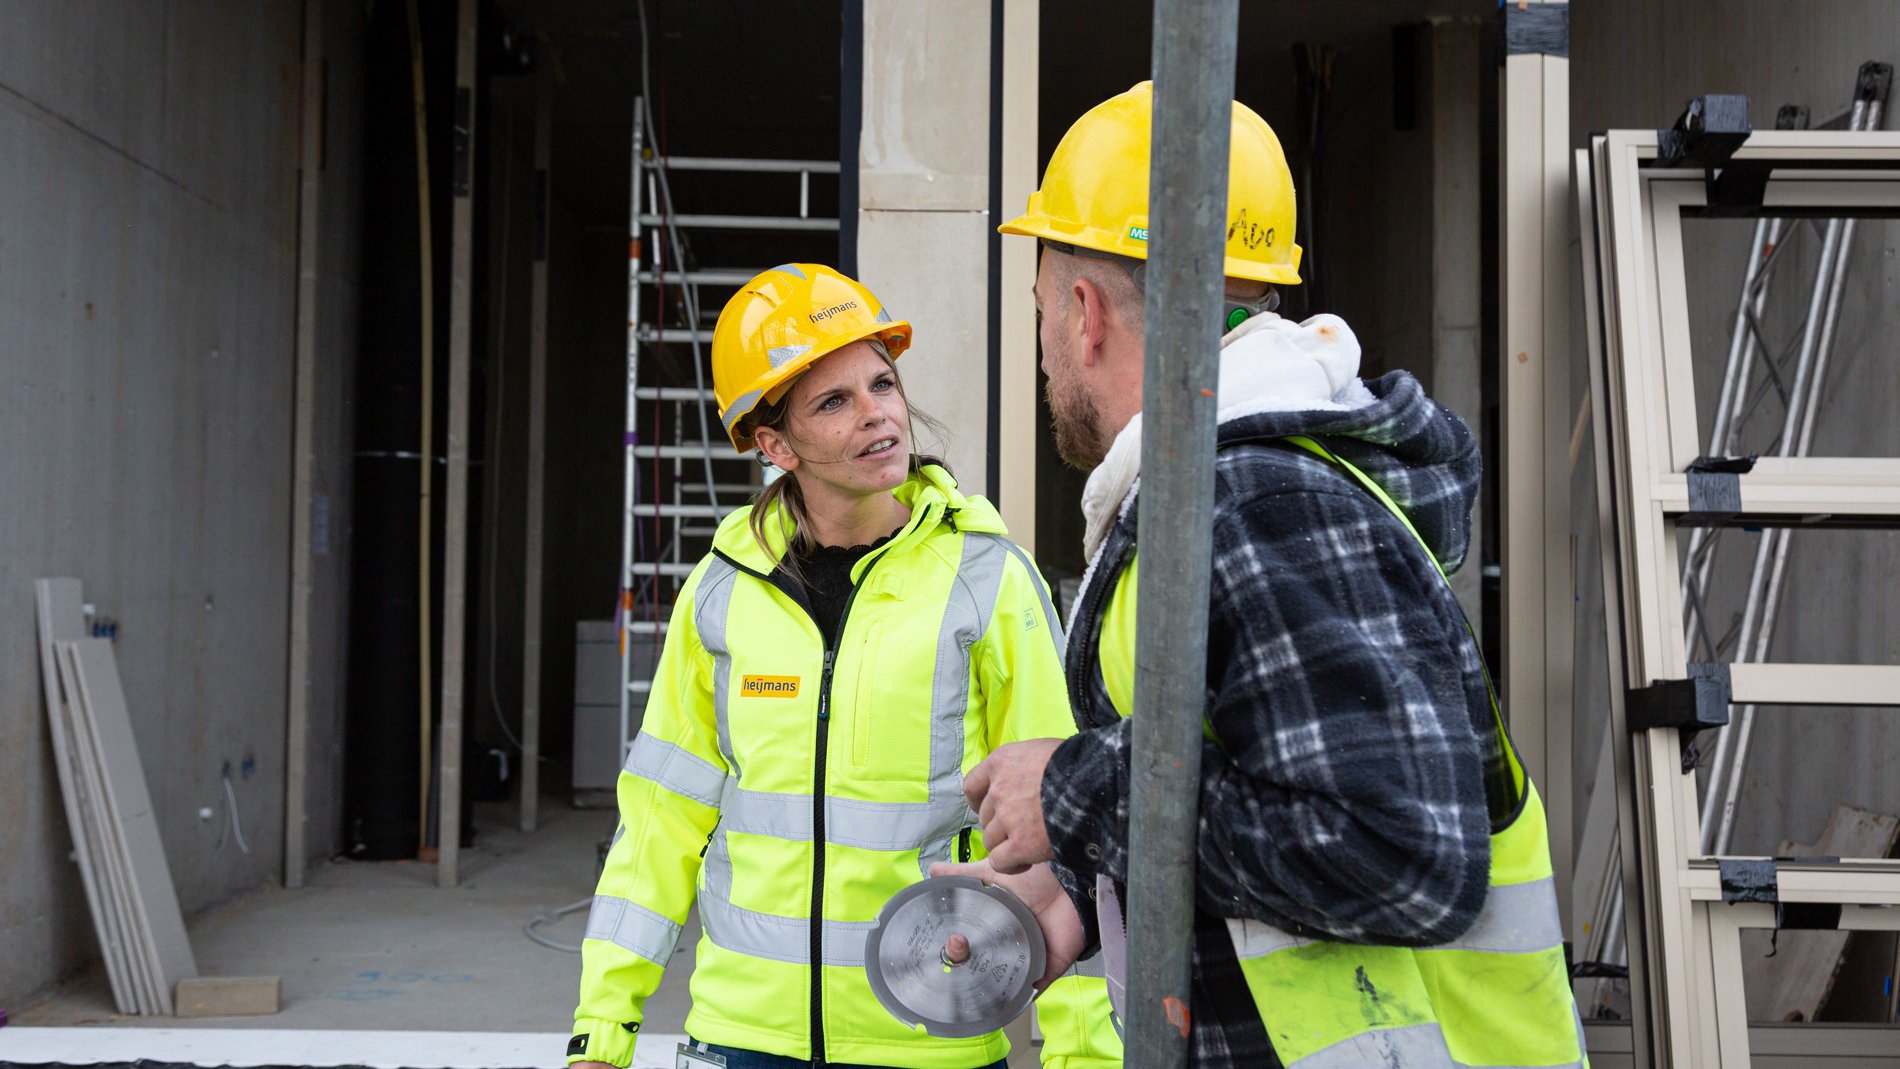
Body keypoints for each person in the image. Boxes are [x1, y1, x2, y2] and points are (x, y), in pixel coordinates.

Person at [934, 82, 1587, 1068]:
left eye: (1036, 313)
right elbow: (1265, 796)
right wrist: (1086, 888)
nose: (1044, 354)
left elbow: (1398, 856)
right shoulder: (1221, 497)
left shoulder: (1259, 505)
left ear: (1081, 314)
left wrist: (1076, 788)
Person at [568, 264, 1118, 1069]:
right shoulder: (722, 594)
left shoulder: (987, 580)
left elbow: (1054, 828)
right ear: (774, 443)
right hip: (743, 1039)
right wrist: (602, 1030)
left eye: (882, 384)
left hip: (931, 1033)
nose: (879, 416)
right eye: (835, 401)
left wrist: (1085, 1057)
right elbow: (659, 823)